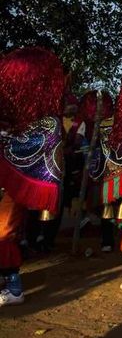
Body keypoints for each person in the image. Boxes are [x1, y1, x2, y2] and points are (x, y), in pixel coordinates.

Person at [0, 47, 66, 307]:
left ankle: (14, 285)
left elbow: (42, 149)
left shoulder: (48, 122)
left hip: (11, 186)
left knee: (5, 232)